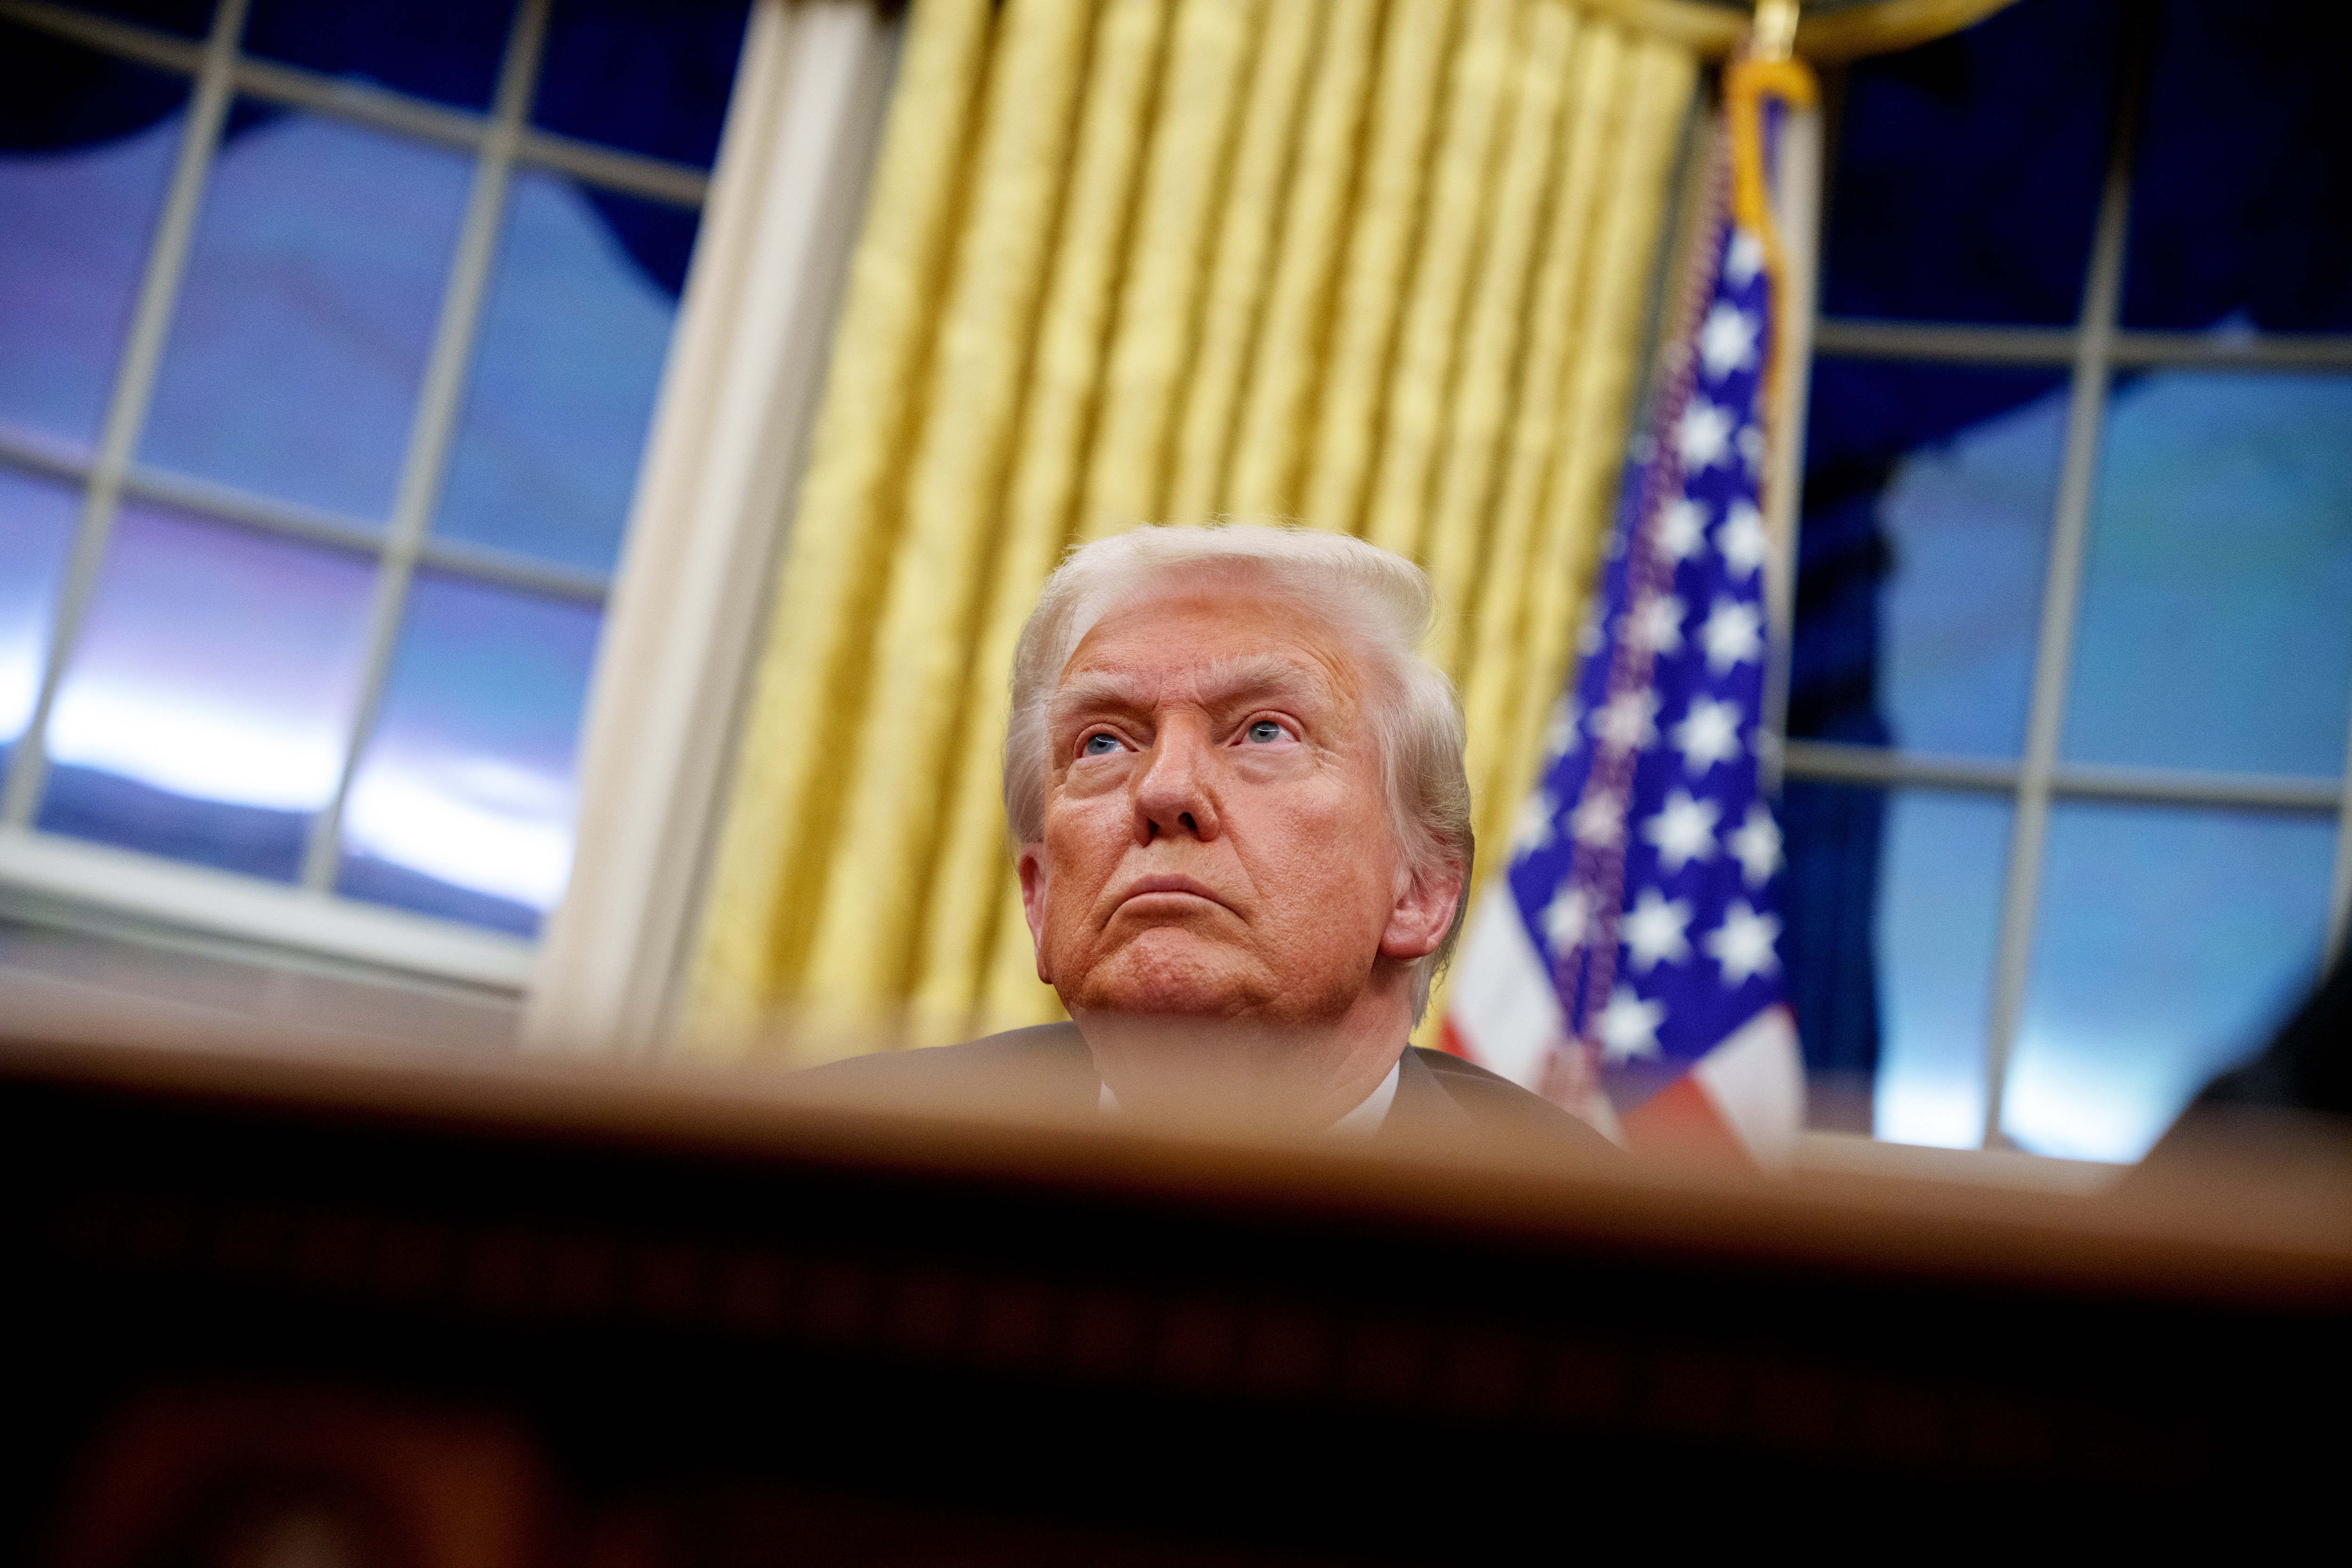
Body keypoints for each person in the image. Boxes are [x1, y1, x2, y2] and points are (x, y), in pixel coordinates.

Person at [804, 523, 1611, 1154]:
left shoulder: (1605, 1251)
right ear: (1040, 896)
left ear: (1421, 889)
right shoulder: (825, 1171)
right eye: (1103, 743)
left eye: (1264, 731)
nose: (1162, 789)